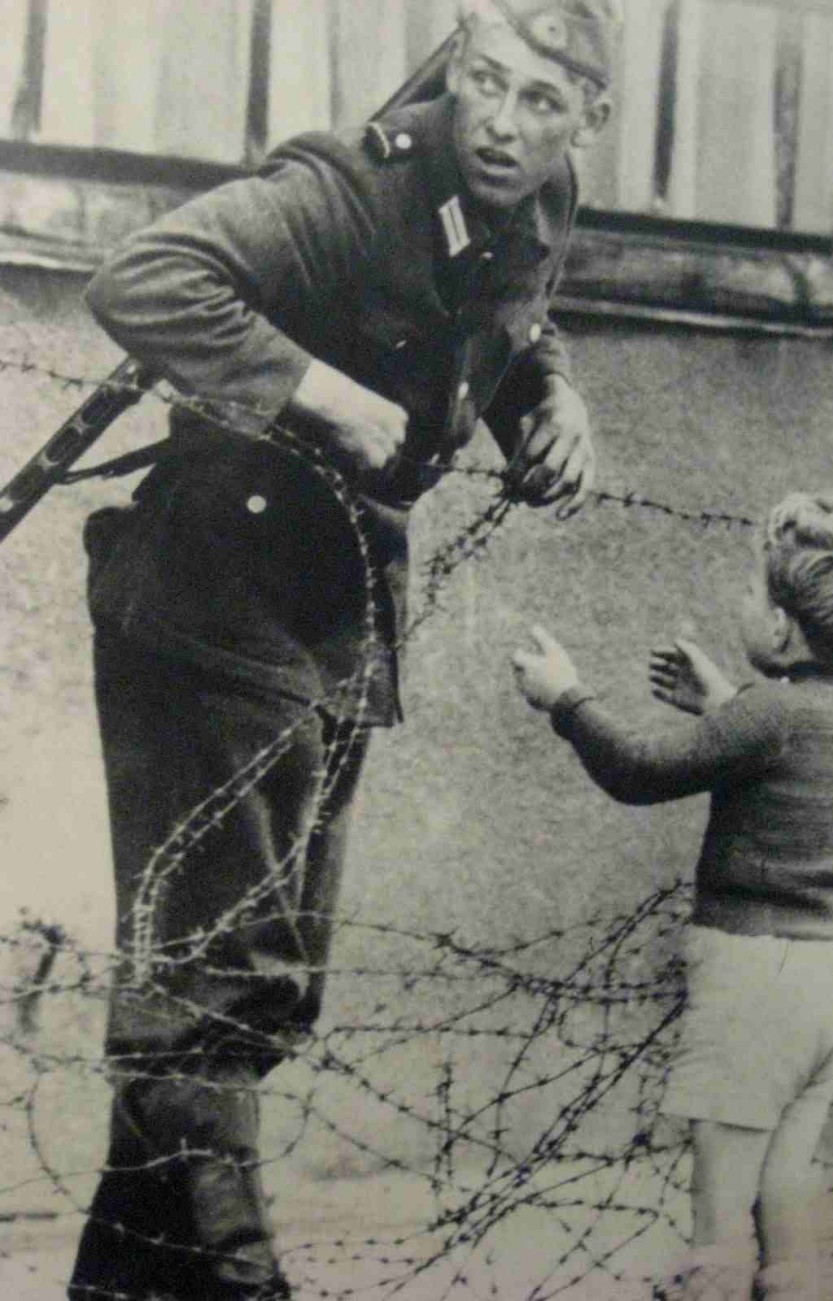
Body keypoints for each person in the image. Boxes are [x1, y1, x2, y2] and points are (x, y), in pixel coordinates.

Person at [67, 3, 617, 1299]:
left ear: (585, 122)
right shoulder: (348, 185)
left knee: (248, 993)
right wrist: (318, 392)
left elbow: (516, 314)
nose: (499, 120)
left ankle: (119, 1285)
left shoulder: (539, 204)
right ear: (455, 73)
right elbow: (140, 278)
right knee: (216, 989)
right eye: (483, 81)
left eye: (541, 101)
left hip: (335, 625)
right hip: (213, 606)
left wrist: (550, 400)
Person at [512, 492, 833, 1301]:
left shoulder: (769, 712)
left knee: (717, 1220)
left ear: (779, 627)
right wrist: (725, 705)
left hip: (753, 983)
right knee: (785, 1190)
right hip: (825, 983)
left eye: (751, 594)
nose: (741, 602)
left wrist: (566, 698)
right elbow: (781, 752)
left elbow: (638, 770)